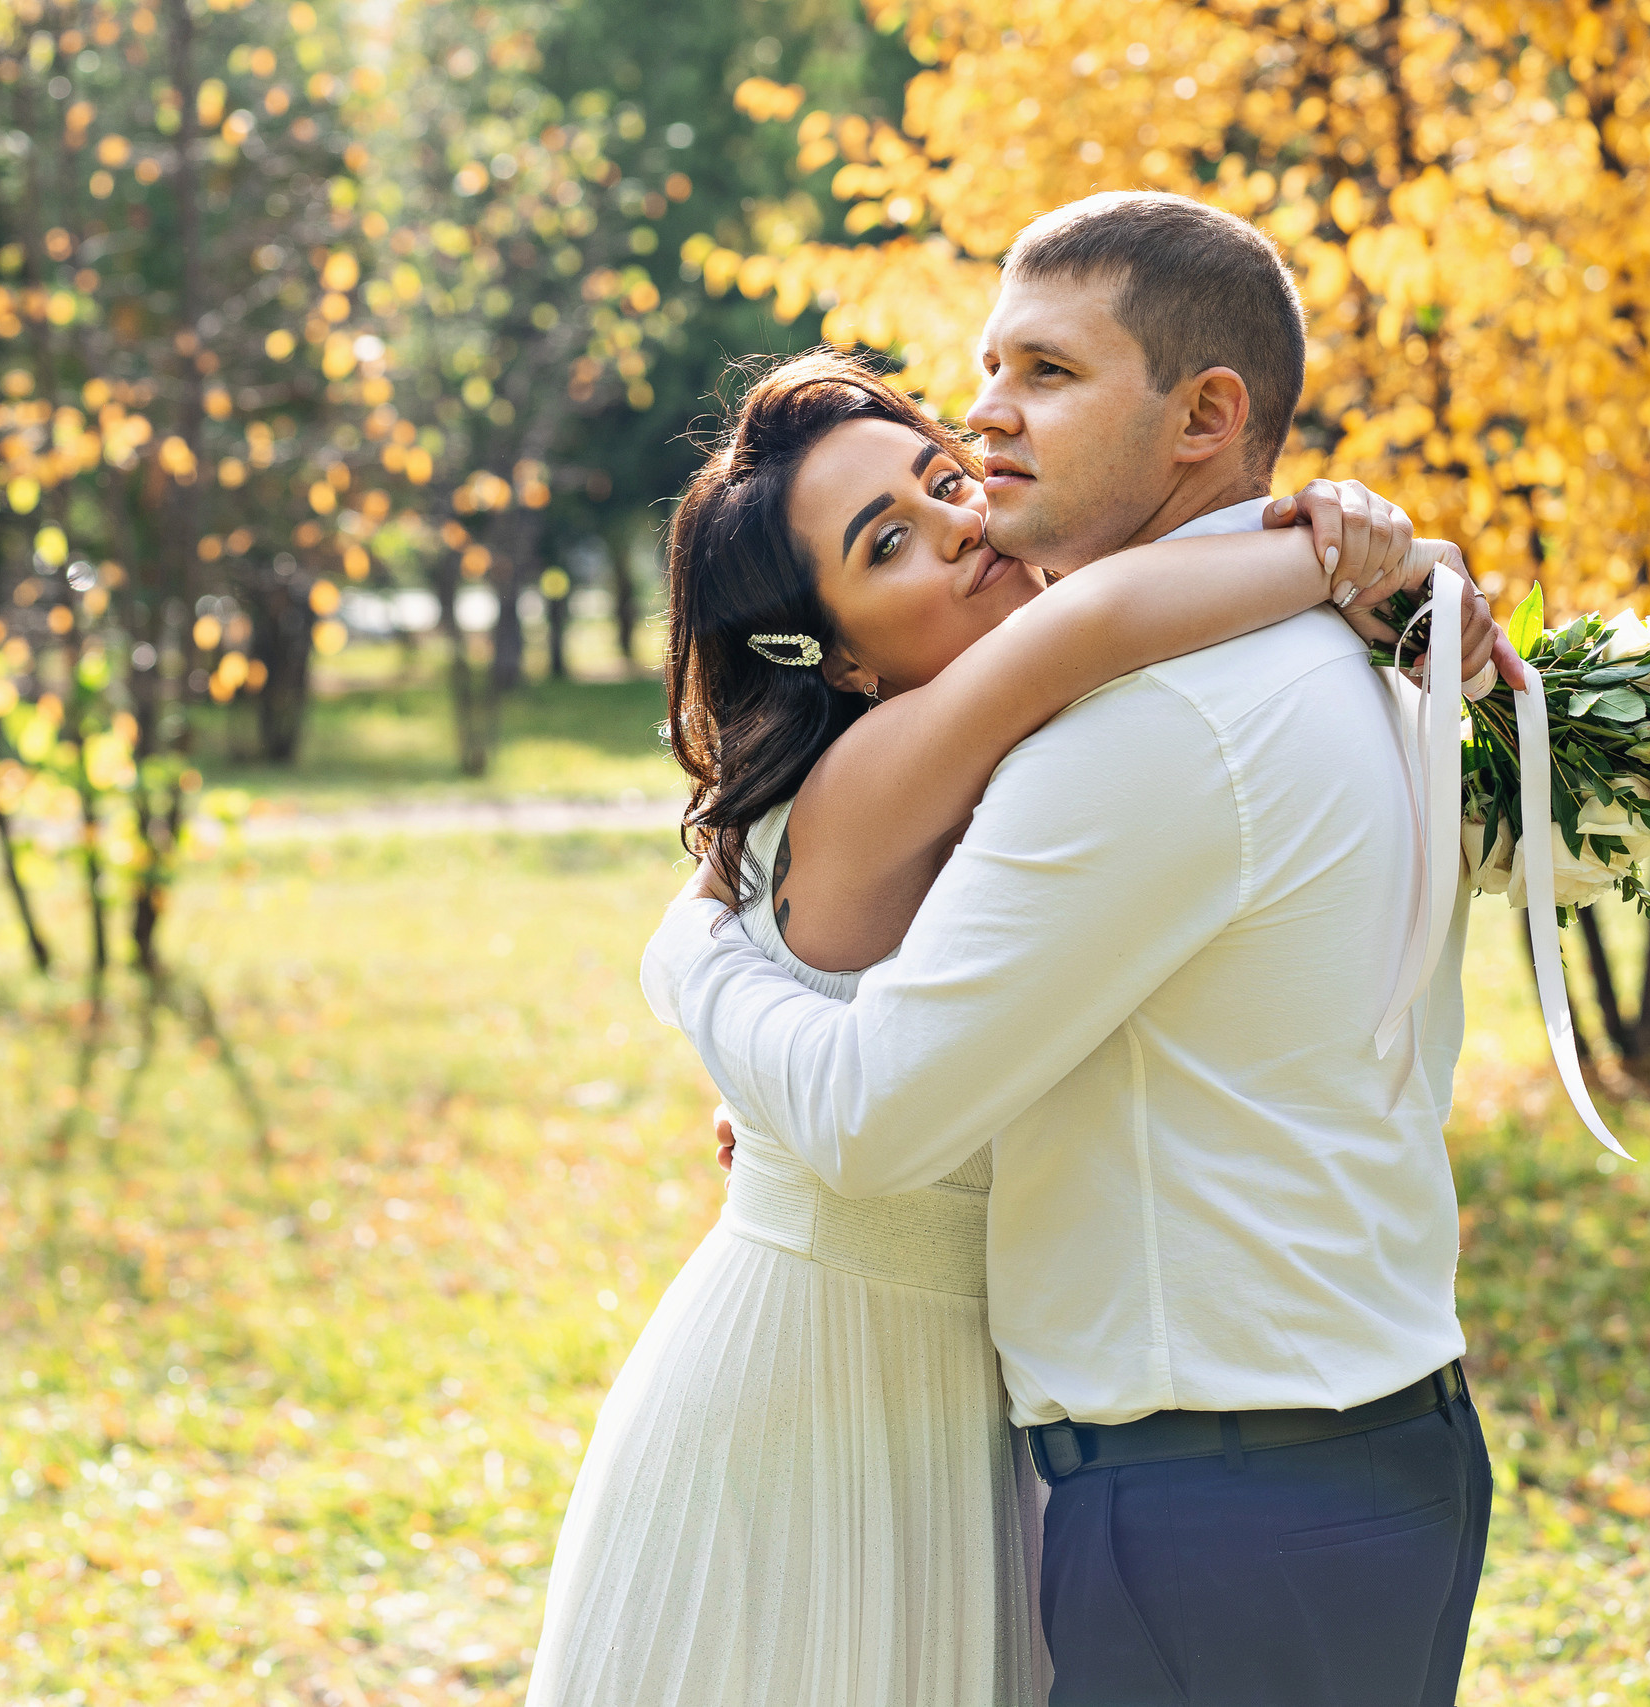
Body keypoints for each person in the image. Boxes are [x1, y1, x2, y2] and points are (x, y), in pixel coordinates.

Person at [641, 191, 1528, 1707]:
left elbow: (872, 1109)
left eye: (1042, 374)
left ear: (1204, 415)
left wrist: (698, 967)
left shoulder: (1152, 724)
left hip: (1225, 1507)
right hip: (1312, 1458)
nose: (984, 426)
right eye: (983, 370)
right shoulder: (1324, 651)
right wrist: (1366, 563)